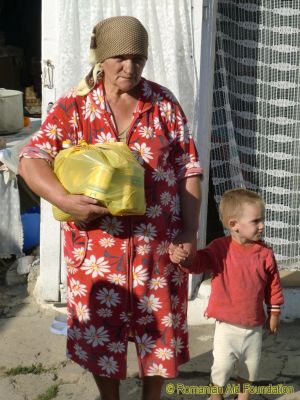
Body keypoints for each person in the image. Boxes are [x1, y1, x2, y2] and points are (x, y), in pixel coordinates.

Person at [19, 16, 202, 400]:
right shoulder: (75, 107)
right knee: (102, 339)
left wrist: (189, 230)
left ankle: (152, 396)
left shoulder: (163, 104)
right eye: (120, 57)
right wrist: (63, 199)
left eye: (138, 58)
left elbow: (189, 167)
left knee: (159, 336)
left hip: (158, 251)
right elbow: (32, 157)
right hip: (96, 253)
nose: (130, 67)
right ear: (101, 59)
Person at [169, 188, 284, 400]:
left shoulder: (265, 254)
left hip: (254, 327)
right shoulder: (220, 248)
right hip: (226, 326)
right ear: (234, 225)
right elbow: (199, 262)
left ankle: (244, 395)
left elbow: (273, 284)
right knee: (221, 365)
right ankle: (216, 394)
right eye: (256, 221)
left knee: (250, 367)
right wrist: (185, 259)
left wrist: (274, 311)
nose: (262, 226)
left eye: (262, 220)